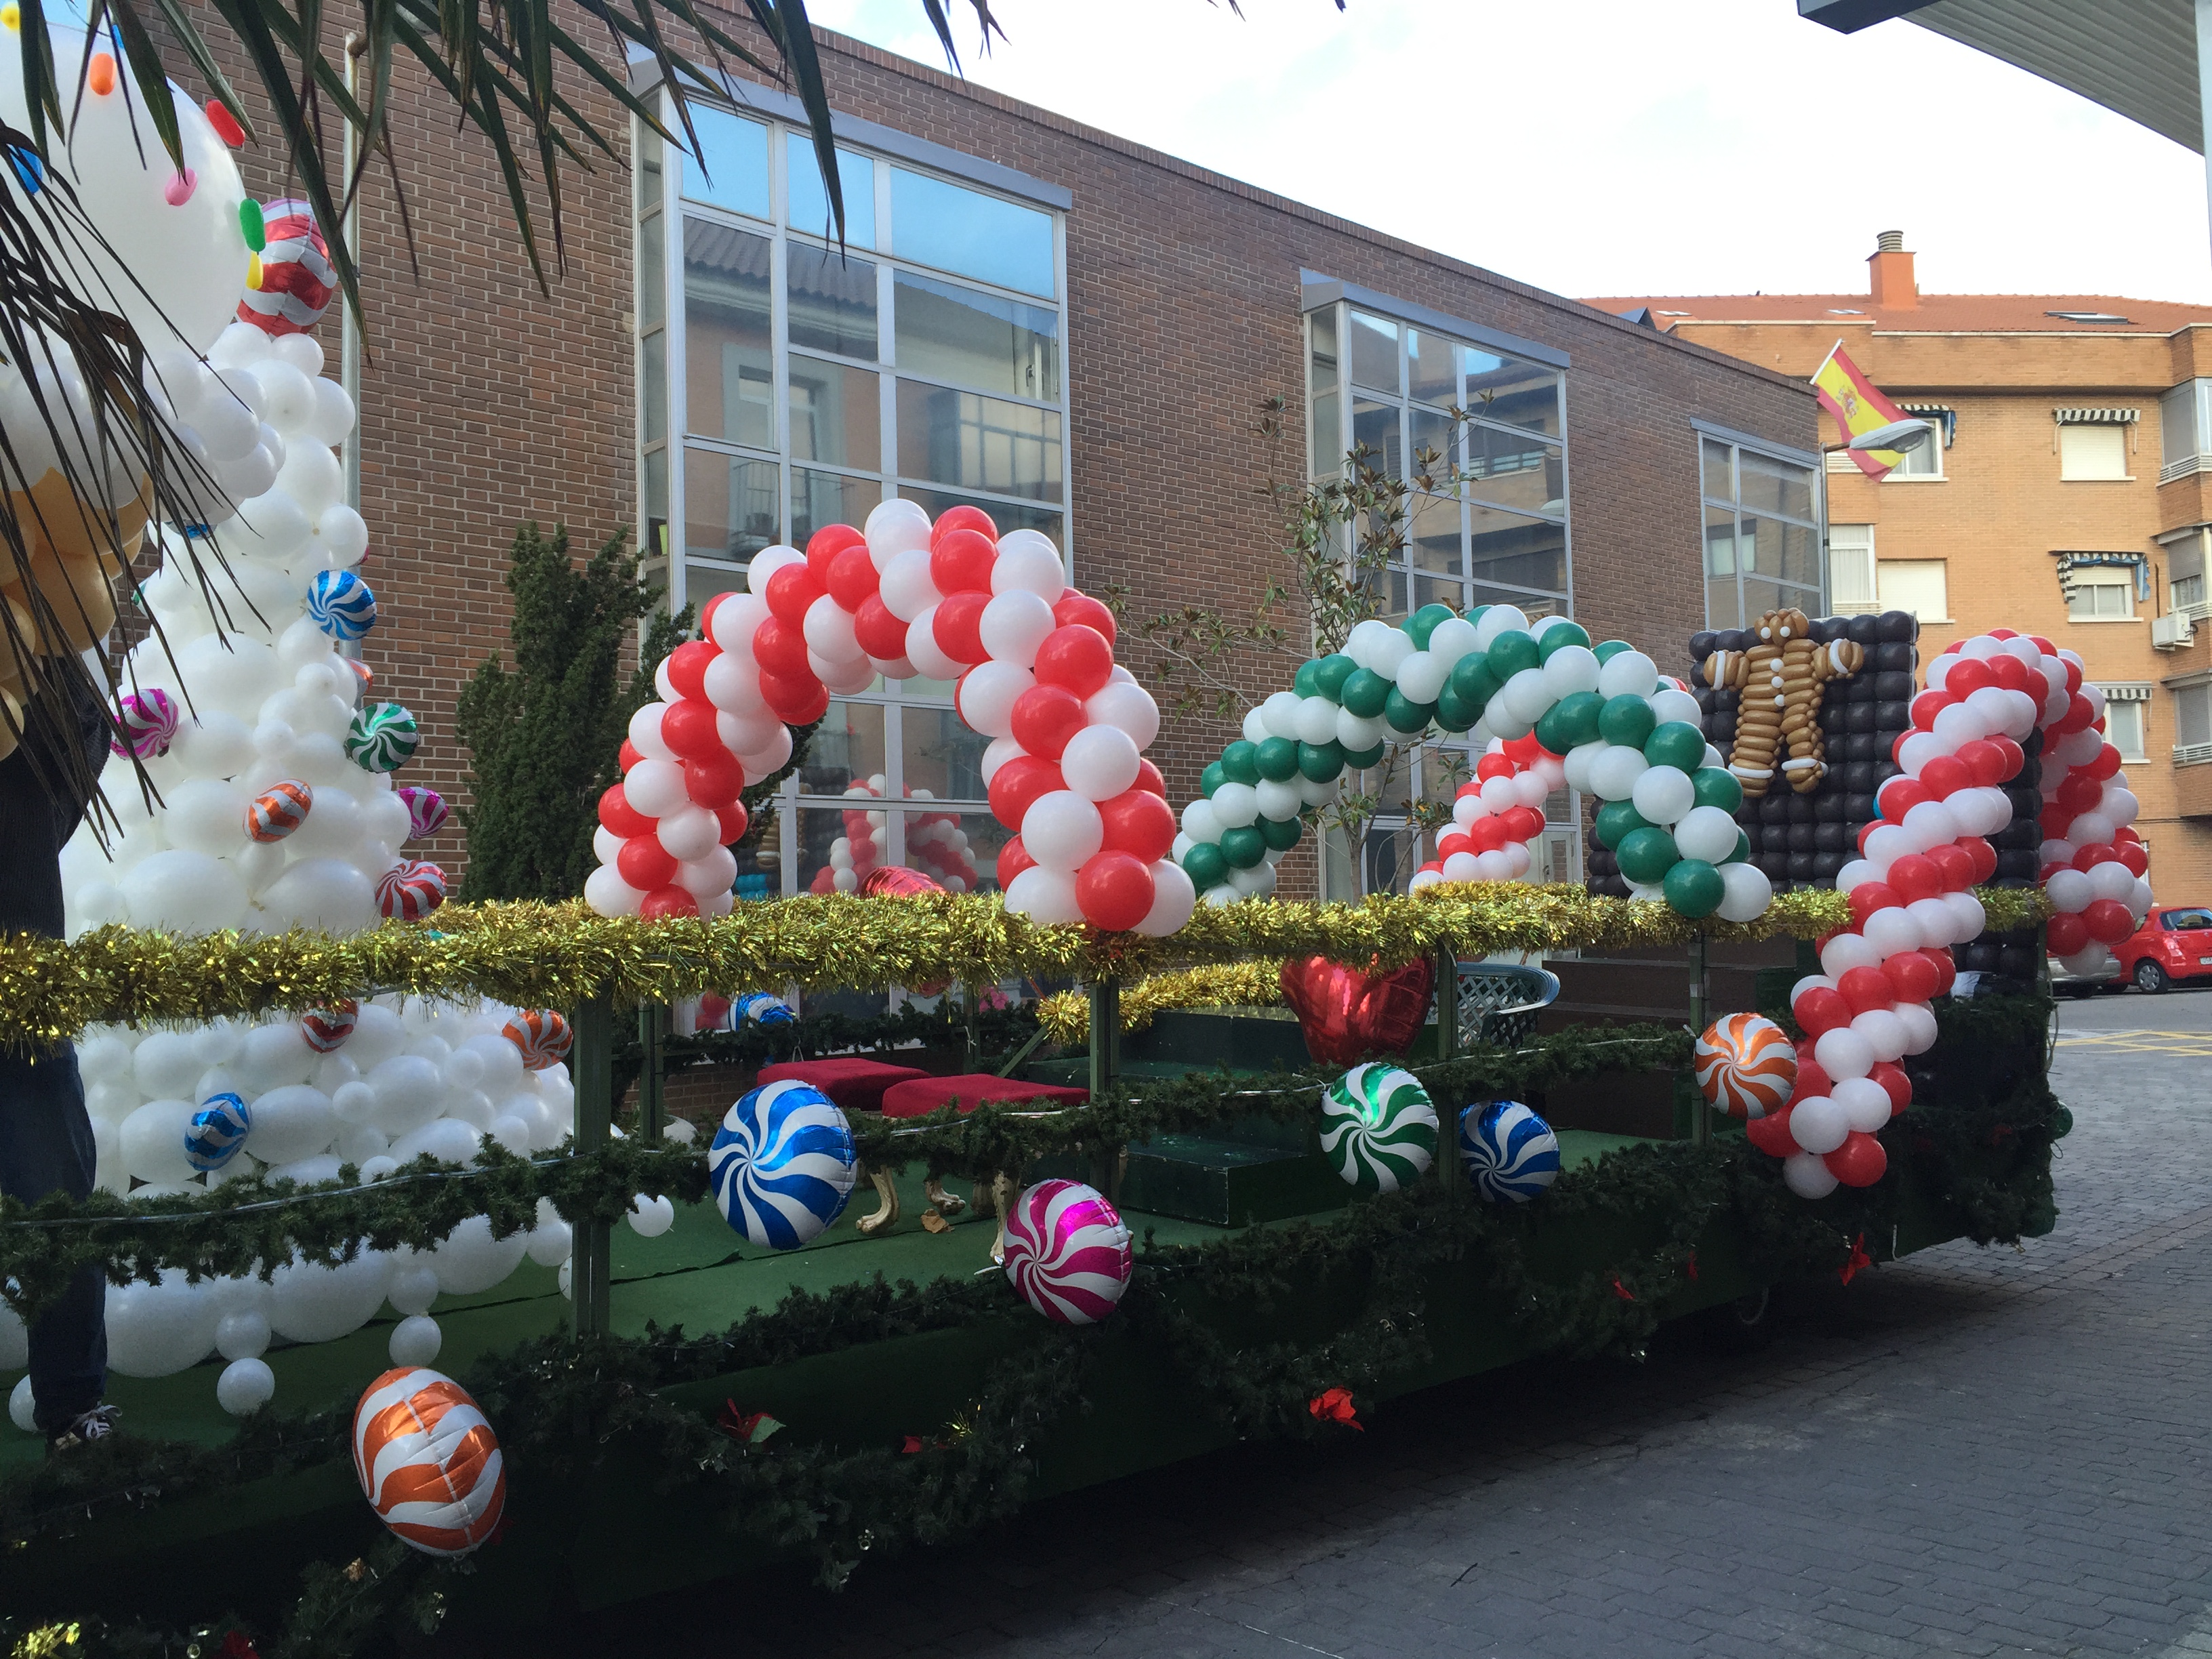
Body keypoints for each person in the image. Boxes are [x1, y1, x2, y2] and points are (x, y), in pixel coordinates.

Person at [0, 659, 117, 1451]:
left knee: (58, 1206)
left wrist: (32, 837)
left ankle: (74, 1406)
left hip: (24, 983)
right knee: (58, 1201)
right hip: (26, 968)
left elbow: (87, 731)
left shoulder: (28, 646)